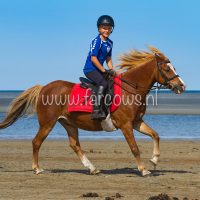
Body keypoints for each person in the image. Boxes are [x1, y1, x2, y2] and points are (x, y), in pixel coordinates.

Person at [83, 15, 116, 120]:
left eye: (109, 28)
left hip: (100, 70)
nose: (106, 30)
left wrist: (112, 70)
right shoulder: (96, 41)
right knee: (103, 83)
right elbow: (93, 59)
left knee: (112, 82)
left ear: (111, 29)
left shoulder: (110, 43)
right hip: (90, 69)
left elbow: (108, 58)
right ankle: (96, 111)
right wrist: (104, 70)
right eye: (104, 28)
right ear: (99, 29)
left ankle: (107, 107)